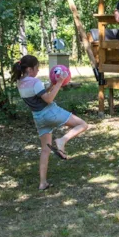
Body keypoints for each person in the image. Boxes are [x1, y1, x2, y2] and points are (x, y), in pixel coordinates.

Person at [12, 55, 89, 191]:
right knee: (82, 124)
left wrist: (52, 85)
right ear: (30, 69)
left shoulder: (20, 82)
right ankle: (62, 141)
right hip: (50, 112)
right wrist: (59, 83)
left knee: (45, 150)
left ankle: (43, 183)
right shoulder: (34, 82)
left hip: (39, 118)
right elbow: (48, 99)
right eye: (37, 68)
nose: (38, 71)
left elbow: (39, 95)